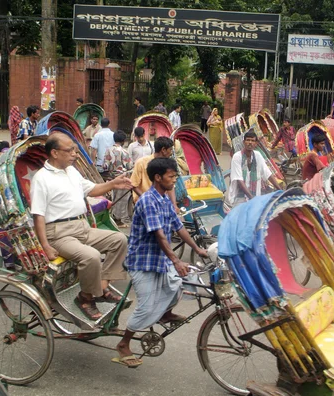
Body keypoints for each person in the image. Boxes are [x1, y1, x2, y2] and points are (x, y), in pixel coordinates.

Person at [114, 157, 208, 368]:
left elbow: (179, 227)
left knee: (179, 285)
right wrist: (175, 261)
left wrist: (197, 249)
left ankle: (164, 314)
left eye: (175, 176)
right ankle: (124, 343)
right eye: (171, 176)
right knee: (146, 308)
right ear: (158, 178)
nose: (174, 180)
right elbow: (160, 235)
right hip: (143, 261)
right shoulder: (148, 201)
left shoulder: (165, 199)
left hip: (160, 259)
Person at [30, 133, 132, 320]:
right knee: (91, 256)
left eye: (75, 150)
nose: (75, 154)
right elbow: (38, 215)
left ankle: (102, 286)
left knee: (120, 240)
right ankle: (85, 298)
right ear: (54, 153)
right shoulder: (41, 178)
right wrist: (45, 246)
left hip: (81, 226)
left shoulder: (72, 171)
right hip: (59, 234)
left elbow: (92, 189)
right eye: (70, 150)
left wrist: (113, 184)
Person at [225, 130, 282, 210]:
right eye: (248, 140)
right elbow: (239, 180)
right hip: (239, 195)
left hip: (255, 194)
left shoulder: (258, 155)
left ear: (256, 144)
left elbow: (267, 174)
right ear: (244, 142)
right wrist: (252, 198)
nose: (250, 142)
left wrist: (281, 190)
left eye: (252, 141)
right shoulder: (237, 157)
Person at [130, 137, 177, 207]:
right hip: (145, 203)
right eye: (170, 150)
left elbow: (170, 186)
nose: (171, 153)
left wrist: (174, 205)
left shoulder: (168, 165)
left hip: (162, 202)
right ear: (163, 150)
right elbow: (133, 185)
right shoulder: (141, 163)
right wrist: (147, 199)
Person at [103, 130, 133, 228]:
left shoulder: (108, 150)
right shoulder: (125, 151)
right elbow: (129, 166)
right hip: (122, 179)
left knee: (114, 198)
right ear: (123, 140)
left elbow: (105, 165)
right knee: (121, 200)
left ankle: (113, 218)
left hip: (111, 178)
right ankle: (118, 221)